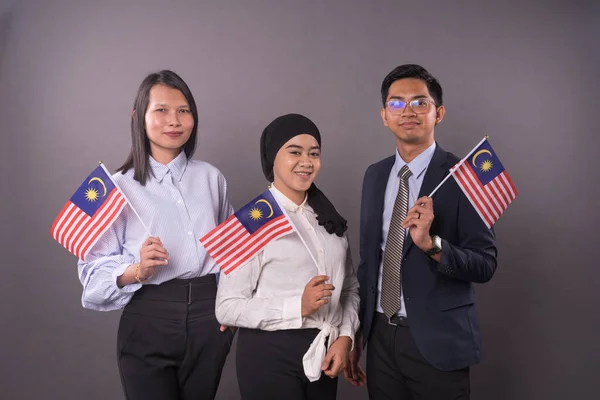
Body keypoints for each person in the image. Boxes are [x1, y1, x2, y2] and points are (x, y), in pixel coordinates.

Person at [77, 70, 234, 400]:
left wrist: (230, 310)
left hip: (210, 318)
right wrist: (137, 270)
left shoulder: (211, 178)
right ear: (139, 117)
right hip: (149, 318)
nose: (174, 121)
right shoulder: (118, 187)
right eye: (161, 110)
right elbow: (91, 282)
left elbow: (229, 254)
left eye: (184, 110)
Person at [345, 64, 498, 399]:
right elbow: (370, 263)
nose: (408, 111)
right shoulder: (375, 175)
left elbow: (485, 264)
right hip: (381, 339)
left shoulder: (463, 176)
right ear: (384, 115)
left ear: (438, 113)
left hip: (438, 343)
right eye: (397, 103)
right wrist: (358, 332)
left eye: (420, 103)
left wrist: (431, 244)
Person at [215, 114, 360, 400]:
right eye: (294, 152)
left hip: (323, 352)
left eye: (314, 154)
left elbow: (350, 288)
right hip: (268, 354)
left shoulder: (330, 220)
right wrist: (298, 306)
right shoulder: (250, 221)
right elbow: (227, 308)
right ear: (272, 158)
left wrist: (345, 337)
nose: (306, 162)